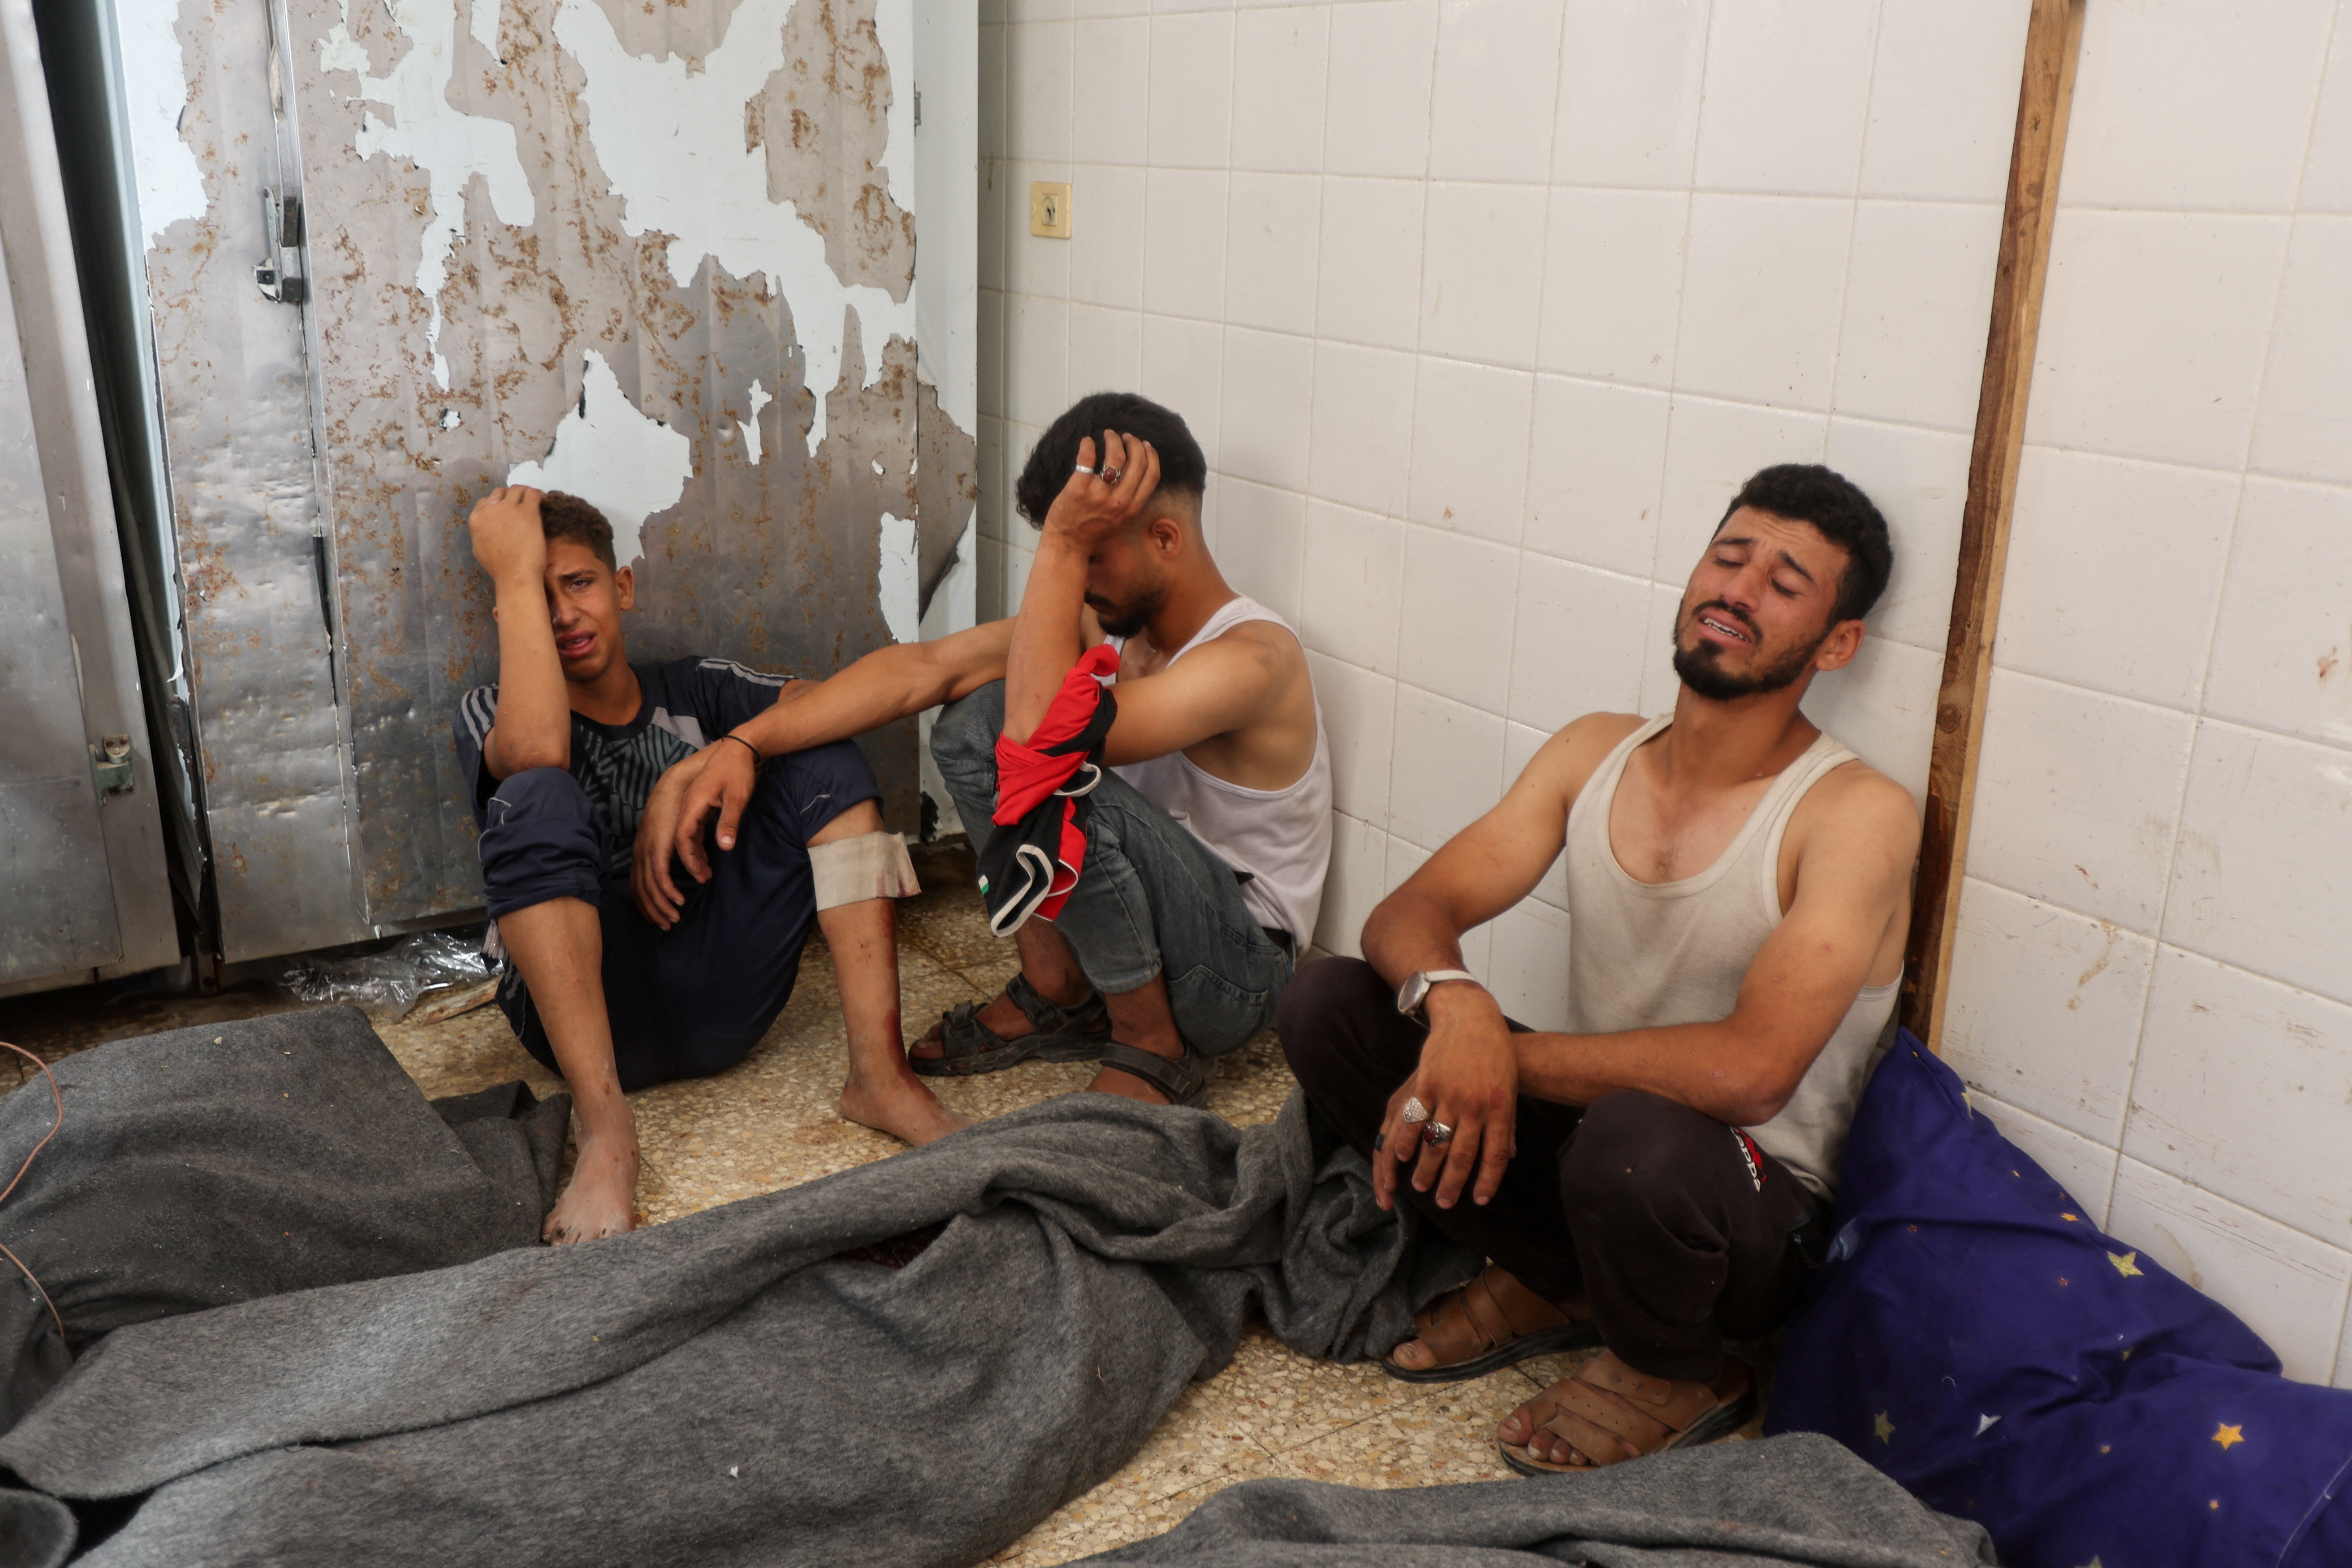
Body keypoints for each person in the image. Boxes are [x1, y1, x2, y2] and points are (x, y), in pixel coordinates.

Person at [1279, 464, 1920, 1475]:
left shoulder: (1853, 814)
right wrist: (1456, 1009)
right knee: (1328, 1004)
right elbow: (1409, 912)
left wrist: (1498, 1057)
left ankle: (1675, 1367)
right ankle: (1557, 1276)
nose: (1737, 590)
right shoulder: (1595, 749)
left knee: (1629, 1137)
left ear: (1836, 643)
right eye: (1728, 556)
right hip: (1602, 1149)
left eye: (1784, 583)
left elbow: (1751, 1072)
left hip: (1746, 1207)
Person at [656, 392, 1331, 1107]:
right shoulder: (1109, 625)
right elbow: (926, 668)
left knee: (1029, 747)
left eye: (1091, 553)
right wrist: (743, 743)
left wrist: (1064, 546)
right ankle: (1059, 991)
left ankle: (1150, 1043)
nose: (1078, 578)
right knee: (969, 715)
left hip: (1234, 974)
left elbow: (1039, 743)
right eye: (1073, 552)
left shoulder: (1251, 659)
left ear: (1165, 538)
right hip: (1162, 930)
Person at [453, 486, 965, 1246]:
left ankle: (881, 1077)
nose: (563, 614)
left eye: (581, 584)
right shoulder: (491, 708)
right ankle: (606, 1135)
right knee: (534, 796)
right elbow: (535, 754)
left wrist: (728, 754)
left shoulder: (695, 688)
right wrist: (507, 572)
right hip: (592, 1016)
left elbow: (839, 701)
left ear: (621, 586)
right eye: (536, 594)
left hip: (722, 988)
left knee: (819, 750)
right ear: (510, 614)